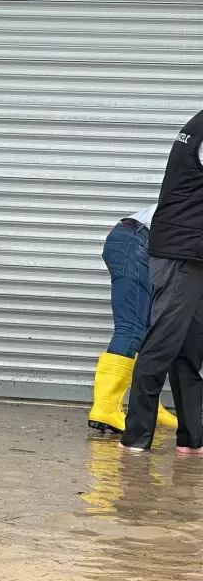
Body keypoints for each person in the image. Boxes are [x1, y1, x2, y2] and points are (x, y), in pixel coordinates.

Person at [122, 109, 203, 455]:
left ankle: (192, 440)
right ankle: (136, 437)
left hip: (193, 252)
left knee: (189, 350)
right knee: (162, 344)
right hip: (180, 252)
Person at [88, 205, 178, 432]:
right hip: (136, 241)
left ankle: (147, 407)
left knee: (150, 329)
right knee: (131, 327)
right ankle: (105, 408)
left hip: (144, 243)